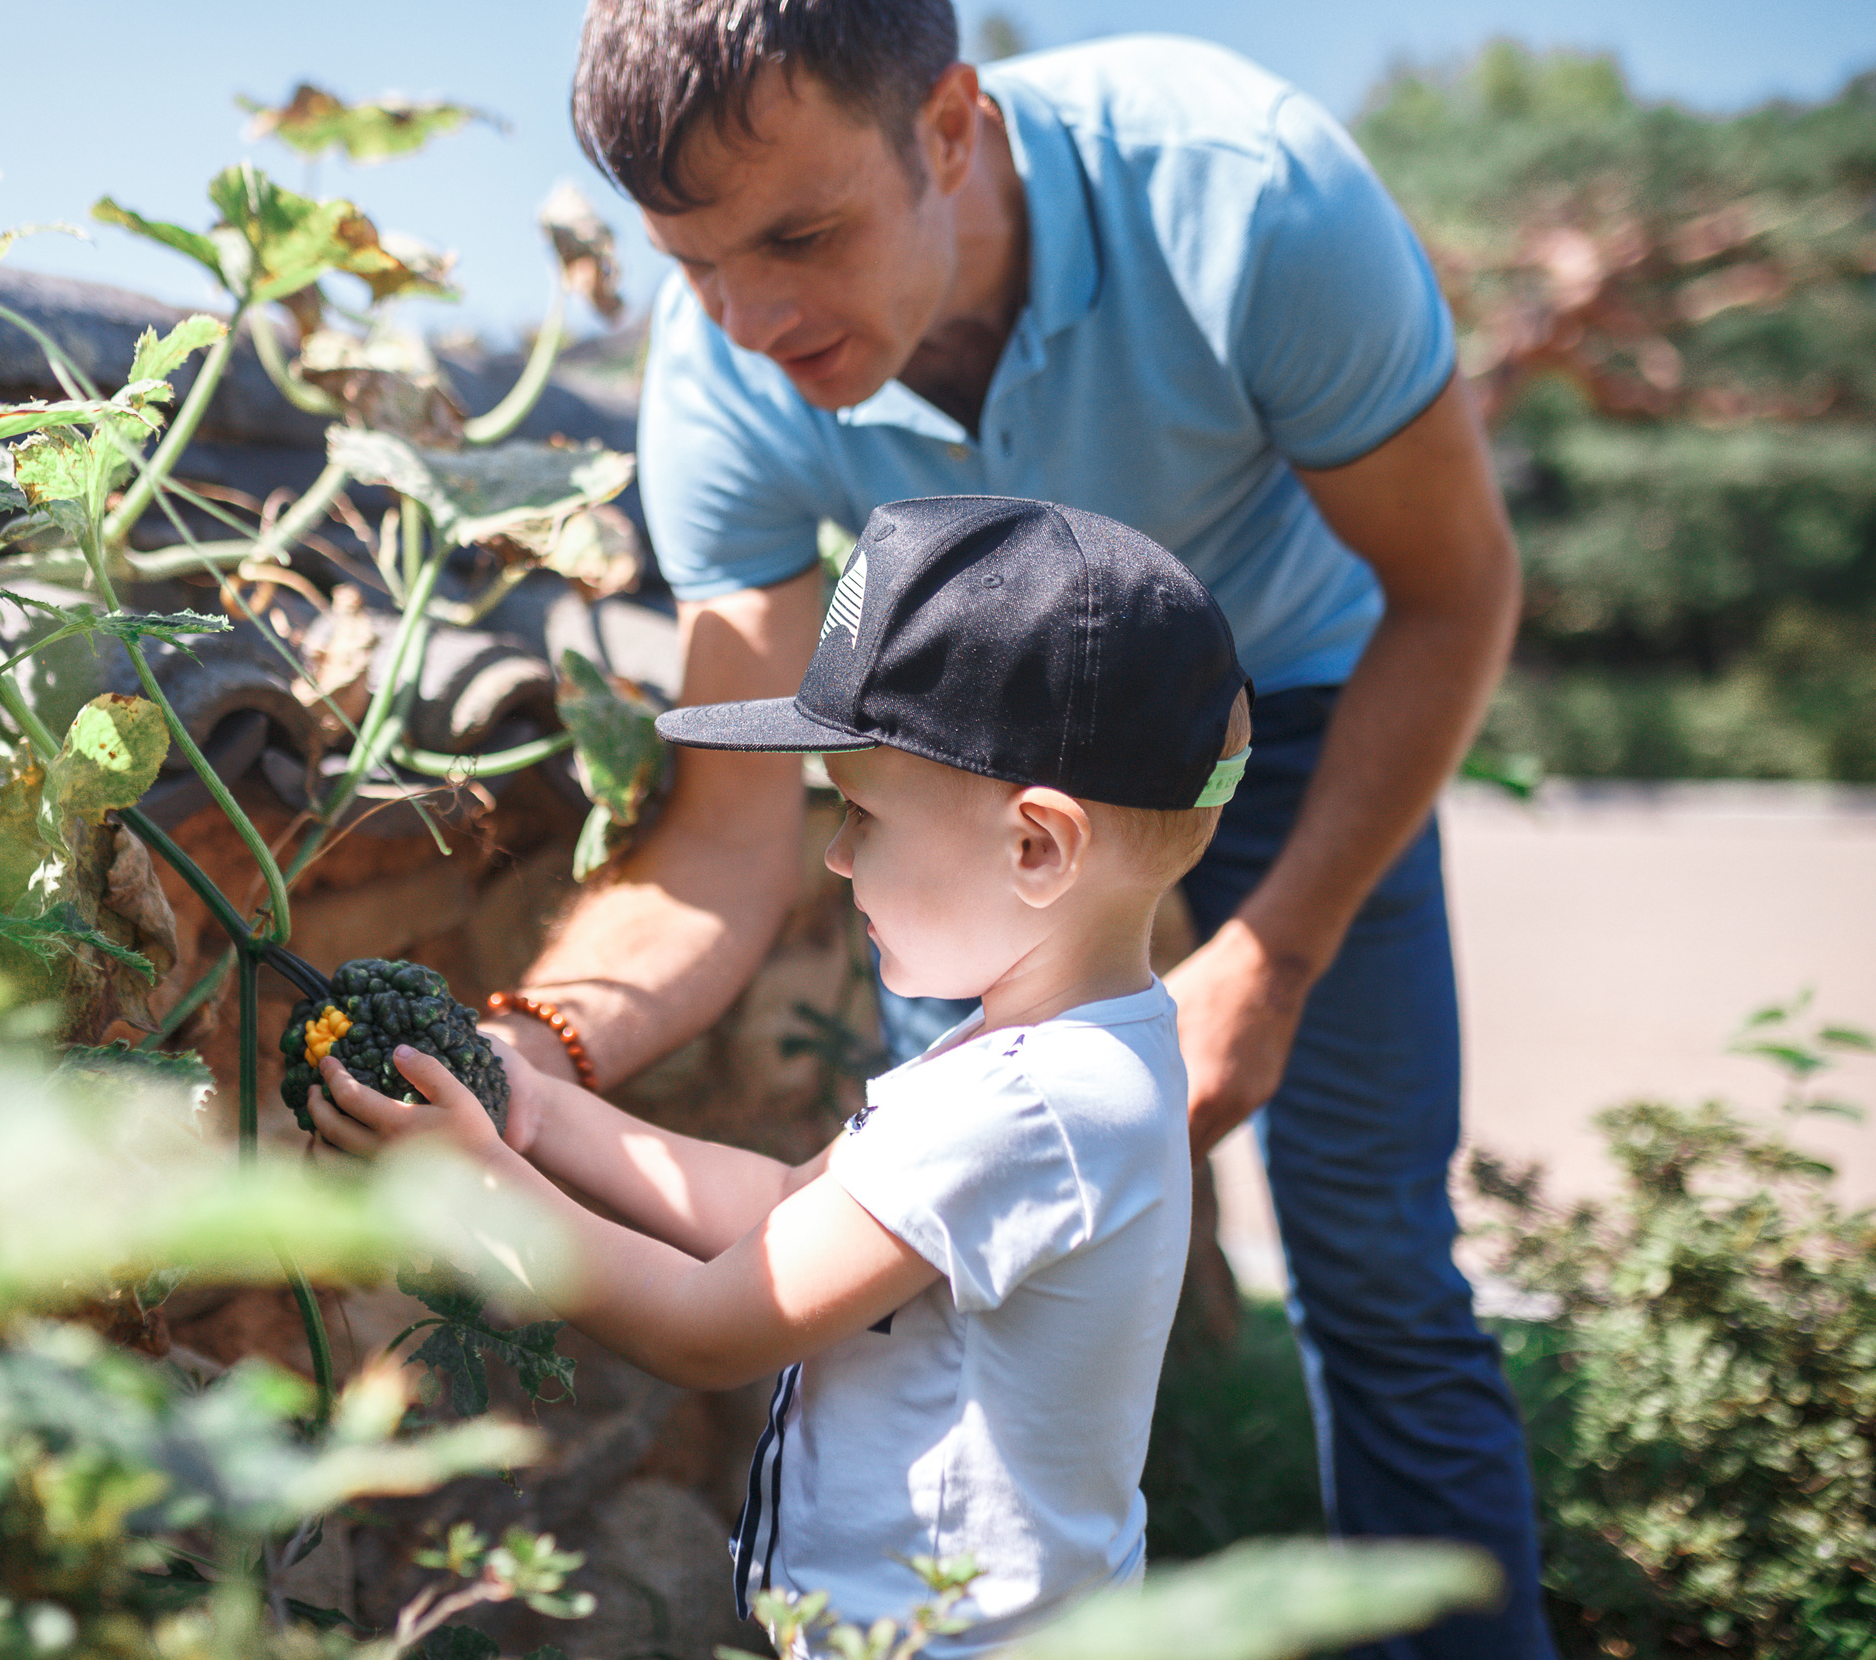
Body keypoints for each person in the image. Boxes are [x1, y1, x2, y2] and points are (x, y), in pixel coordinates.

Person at [477, 0, 1552, 1657]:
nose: (750, 321)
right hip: (962, 766)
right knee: (919, 1254)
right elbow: (728, 838)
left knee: (1373, 1260)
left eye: (801, 236)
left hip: (1314, 694)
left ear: (950, 126)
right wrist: (529, 1047)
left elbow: (1456, 588)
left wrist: (1271, 960)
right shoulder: (723, 384)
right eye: (693, 264)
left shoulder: (1247, 198)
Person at [313, 495, 1251, 1650]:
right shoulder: (1067, 1053)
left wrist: (485, 1194)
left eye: (860, 815)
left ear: (1035, 846)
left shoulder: (1024, 1109)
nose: (836, 856)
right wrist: (538, 1111)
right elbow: (782, 1212)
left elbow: (712, 1328)